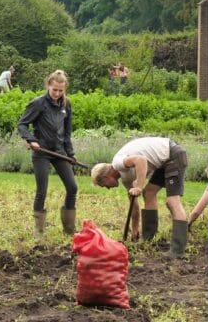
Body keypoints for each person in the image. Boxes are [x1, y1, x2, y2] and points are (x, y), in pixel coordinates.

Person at [91, 137, 189, 257]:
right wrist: (135, 228)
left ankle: (178, 250)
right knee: (148, 193)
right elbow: (134, 204)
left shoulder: (117, 163)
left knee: (172, 201)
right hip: (164, 161)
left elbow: (141, 160)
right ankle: (147, 239)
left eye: (104, 185)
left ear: (106, 177)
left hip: (173, 155)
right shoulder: (126, 179)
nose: (107, 188)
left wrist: (139, 186)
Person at [16, 70, 78, 239]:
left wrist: (70, 153)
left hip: (59, 151)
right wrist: (31, 140)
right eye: (54, 90)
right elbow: (22, 124)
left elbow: (67, 132)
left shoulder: (67, 104)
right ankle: (39, 232)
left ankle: (69, 230)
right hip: (41, 152)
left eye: (61, 91)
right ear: (48, 86)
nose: (57, 94)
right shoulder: (38, 103)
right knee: (42, 190)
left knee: (73, 187)